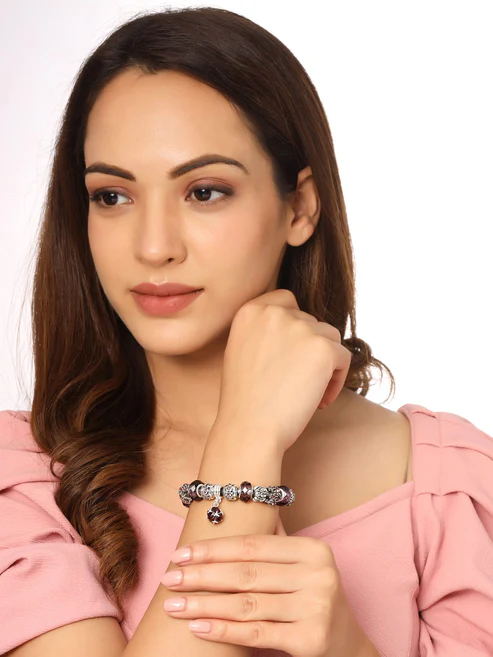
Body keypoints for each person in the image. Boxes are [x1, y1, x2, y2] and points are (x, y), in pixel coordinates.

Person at [1, 6, 492, 657]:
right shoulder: (24, 479)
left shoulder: (452, 491)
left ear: (300, 206)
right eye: (112, 196)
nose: (153, 246)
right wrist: (247, 437)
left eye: (204, 191)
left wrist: (349, 647)